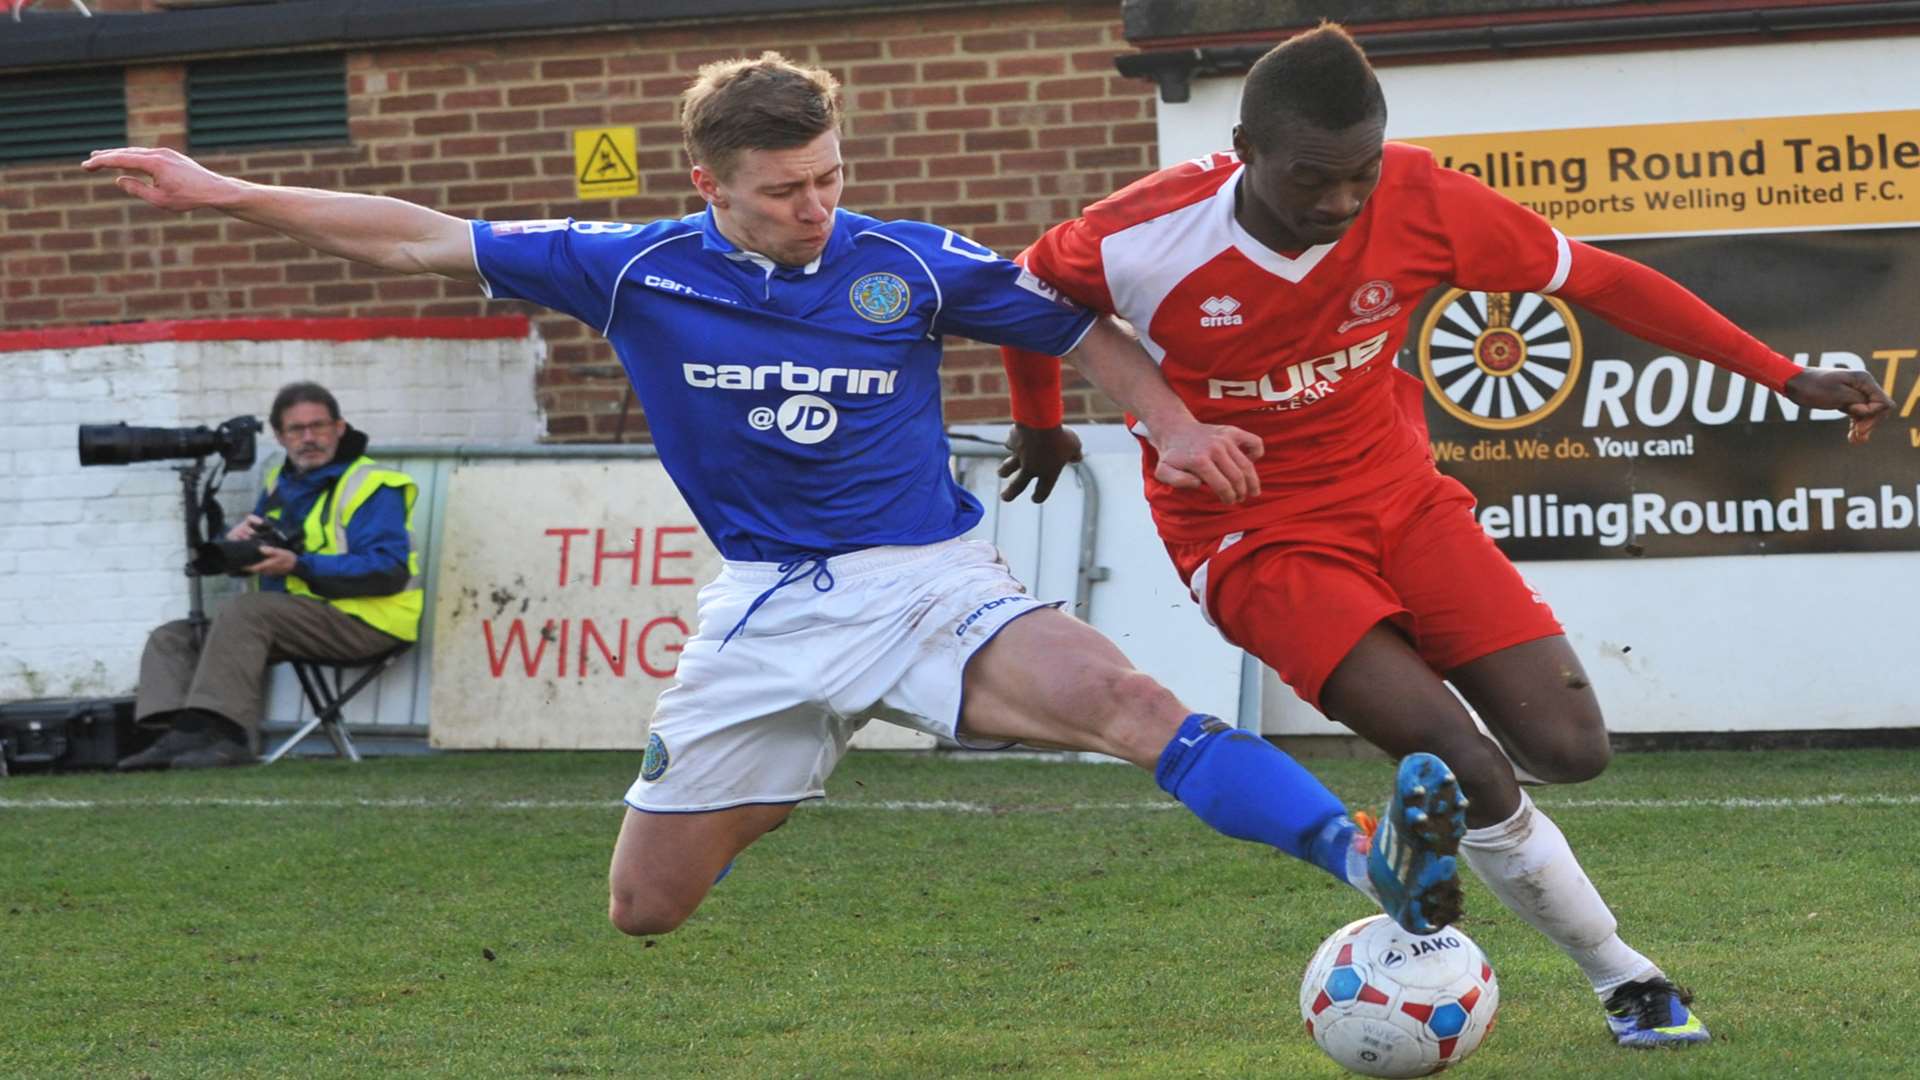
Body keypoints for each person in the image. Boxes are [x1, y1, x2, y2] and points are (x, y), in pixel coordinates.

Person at [86, 52, 1475, 939]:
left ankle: (1370, 864)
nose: (819, 206)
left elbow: (1073, 327)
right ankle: (781, 768)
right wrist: (219, 188)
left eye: (830, 178)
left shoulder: (910, 263)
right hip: (763, 615)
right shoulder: (629, 267)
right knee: (644, 912)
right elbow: (420, 238)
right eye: (786, 190)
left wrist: (1166, 420)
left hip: (932, 580)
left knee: (1127, 703)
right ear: (712, 188)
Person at [997, 23, 1893, 1050]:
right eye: (1311, 181)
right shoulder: (1144, 232)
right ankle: (1626, 979)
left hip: (1402, 500)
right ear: (1244, 146)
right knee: (1467, 762)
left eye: (1360, 176)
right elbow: (1034, 297)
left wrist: (1782, 374)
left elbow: (1603, 280)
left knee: (1571, 747)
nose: (1339, 203)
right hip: (1251, 535)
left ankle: (1450, 826)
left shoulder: (1423, 202)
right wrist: (1039, 422)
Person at [118, 382, 422, 769]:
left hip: (369, 622)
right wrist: (234, 546)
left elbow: (386, 571)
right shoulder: (282, 482)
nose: (308, 438)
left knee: (248, 610)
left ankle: (228, 739)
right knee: (174, 637)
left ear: (340, 428)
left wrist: (300, 565)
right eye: (296, 430)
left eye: (319, 426)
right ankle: (175, 739)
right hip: (297, 617)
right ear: (280, 436)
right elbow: (271, 558)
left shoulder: (374, 485)